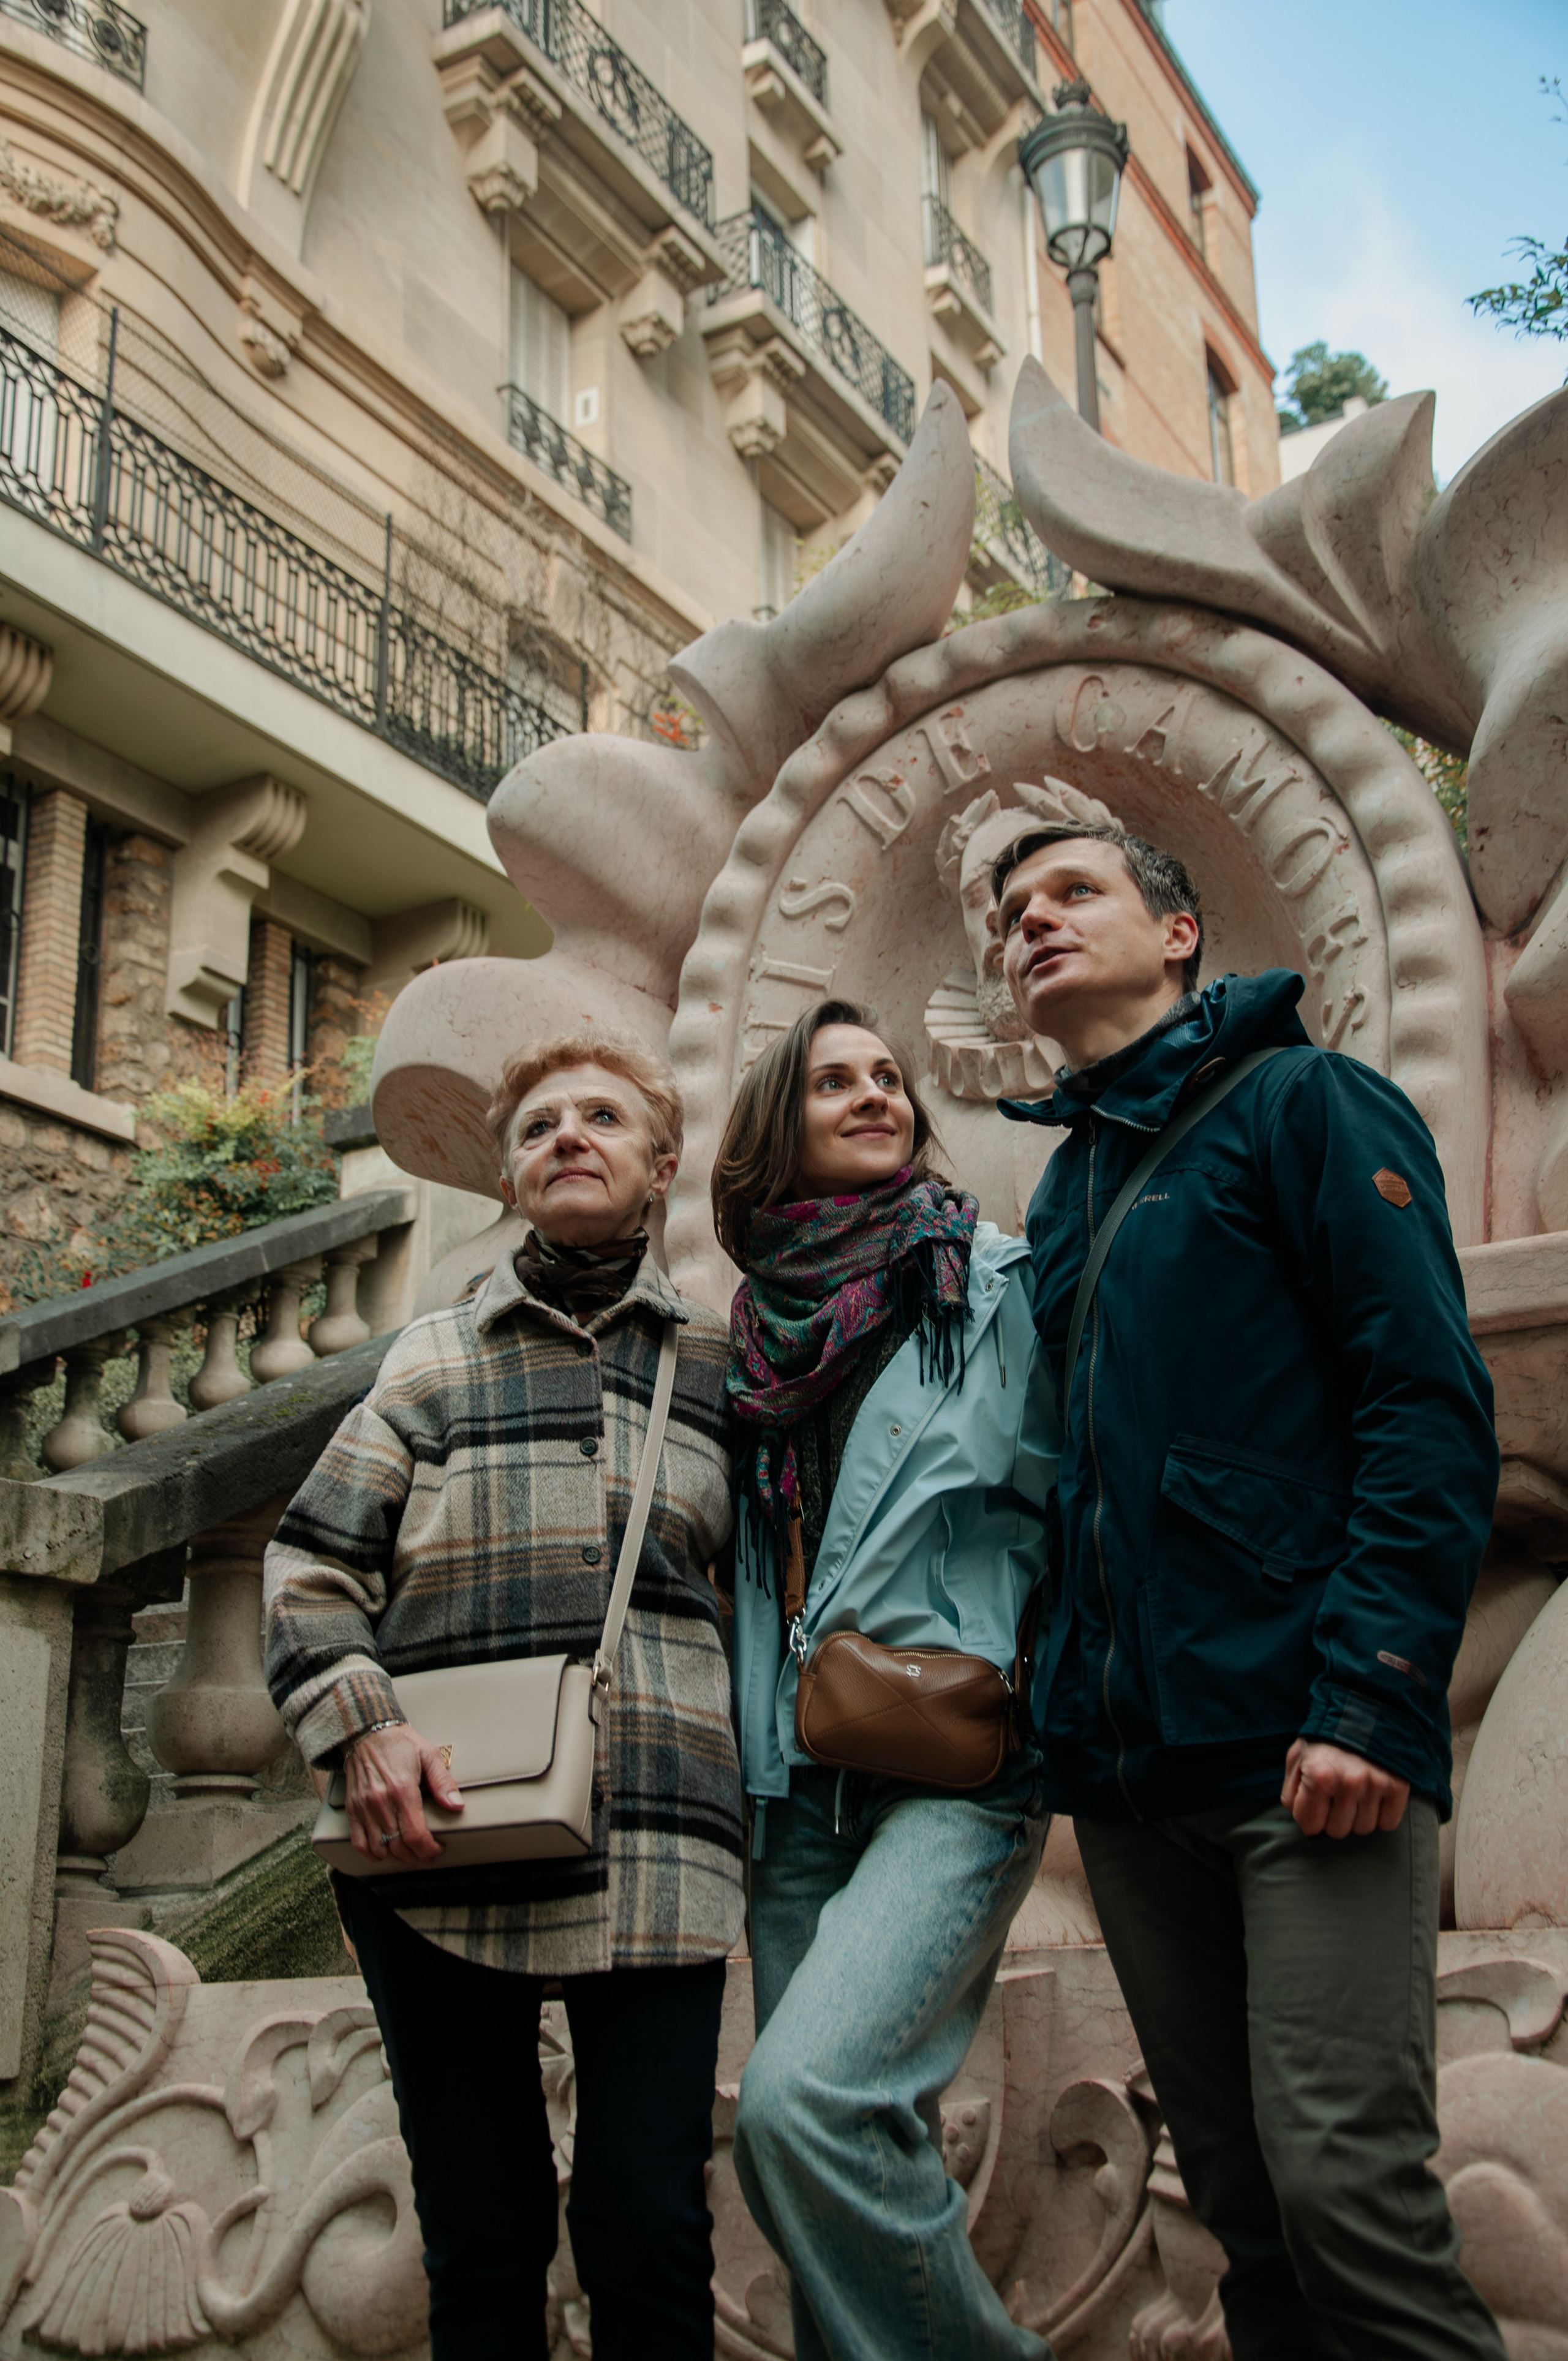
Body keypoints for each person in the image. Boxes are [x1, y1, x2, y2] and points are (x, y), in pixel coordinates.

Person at [992, 818, 1506, 2361]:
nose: (1031, 921)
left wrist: (1368, 1693)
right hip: (1135, 1783)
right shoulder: (1064, 1196)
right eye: (1010, 912)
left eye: (1072, 890)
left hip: (1309, 1752)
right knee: (1241, 2210)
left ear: (1177, 932)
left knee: (1349, 2191)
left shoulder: (1304, 1101)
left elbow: (1423, 1403)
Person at [263, 1030, 744, 2361]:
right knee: (482, 2229)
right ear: (513, 1176)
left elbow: (771, 1596)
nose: (567, 1137)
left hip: (661, 1838)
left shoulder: (719, 1371)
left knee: (646, 2218)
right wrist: (361, 1731)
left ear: (657, 1170)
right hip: (432, 1835)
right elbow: (309, 1563)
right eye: (537, 1126)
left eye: (601, 1117)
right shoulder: (428, 1362)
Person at [715, 998, 1057, 2361]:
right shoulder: (742, 1337)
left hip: (959, 1760)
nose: (875, 1096)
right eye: (832, 1081)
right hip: (790, 1778)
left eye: (888, 1076)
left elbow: (1074, 1500)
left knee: (799, 2103)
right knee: (843, 2152)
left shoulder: (993, 1285)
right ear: (772, 1129)